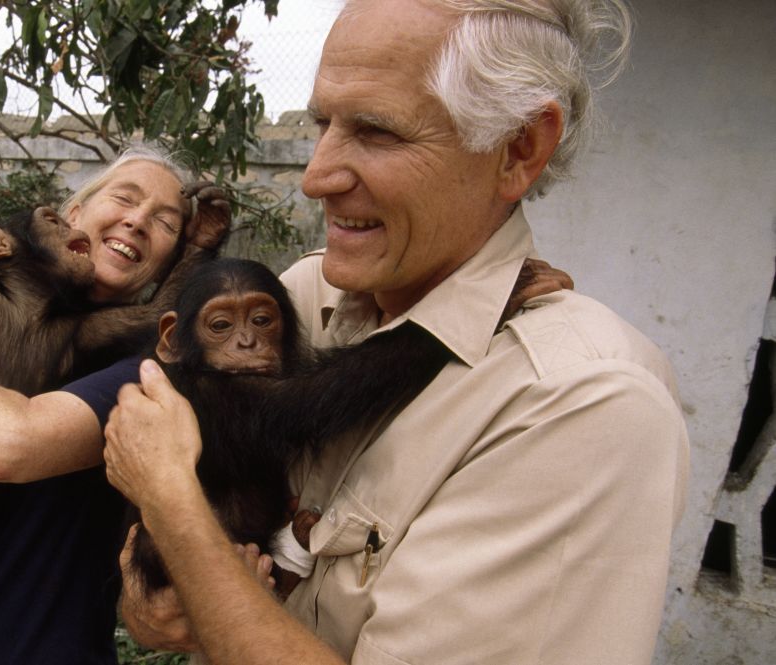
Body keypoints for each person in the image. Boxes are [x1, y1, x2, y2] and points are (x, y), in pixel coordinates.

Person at [102, 1, 690, 664]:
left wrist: (173, 508)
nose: (314, 176)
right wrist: (154, 599)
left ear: (519, 147)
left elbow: (187, 491)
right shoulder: (303, 294)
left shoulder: (582, 404)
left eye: (378, 131)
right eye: (324, 122)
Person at [0, 144, 230, 665]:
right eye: (124, 197)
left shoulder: (144, 370)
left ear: (169, 261)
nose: (137, 221)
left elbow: (8, 443)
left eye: (165, 223)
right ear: (74, 217)